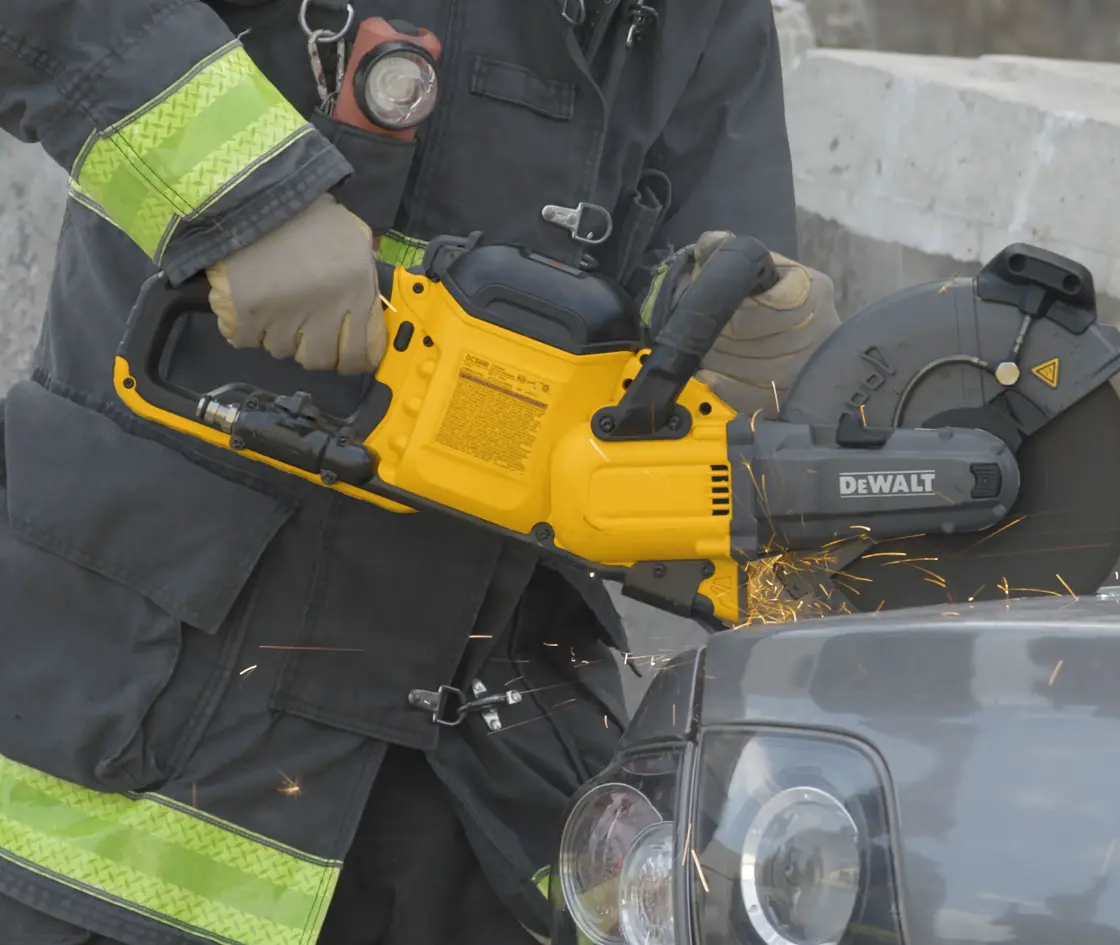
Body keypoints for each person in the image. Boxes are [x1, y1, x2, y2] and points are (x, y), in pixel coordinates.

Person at [0, 0, 840, 942]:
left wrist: (746, 334)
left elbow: (696, 325)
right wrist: (242, 196)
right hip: (138, 738)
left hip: (483, 778)